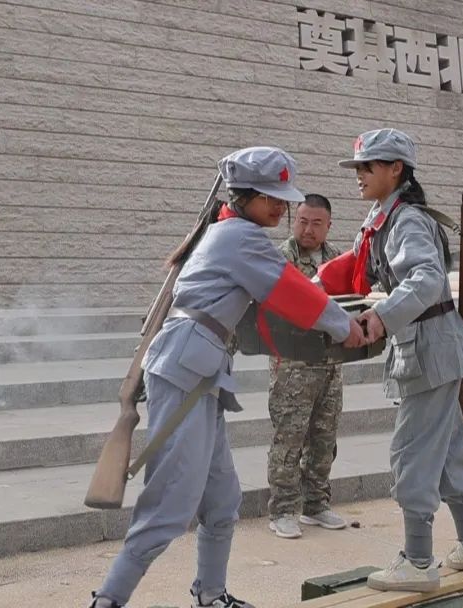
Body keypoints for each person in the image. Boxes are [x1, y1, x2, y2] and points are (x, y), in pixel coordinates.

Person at [88, 147, 366, 608]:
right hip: (187, 371)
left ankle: (210, 596)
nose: (280, 206)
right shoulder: (240, 237)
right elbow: (290, 290)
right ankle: (107, 601)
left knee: (221, 500)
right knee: (170, 505)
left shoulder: (230, 232)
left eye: (282, 198)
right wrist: (344, 325)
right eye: (269, 197)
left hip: (199, 370)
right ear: (244, 197)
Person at [318, 128, 463, 593]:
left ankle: (418, 562)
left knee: (411, 454)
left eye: (368, 166)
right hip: (429, 348)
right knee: (448, 453)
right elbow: (354, 266)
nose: (359, 175)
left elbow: (426, 277)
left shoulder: (407, 220)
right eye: (358, 167)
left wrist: (380, 317)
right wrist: (308, 290)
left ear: (396, 169)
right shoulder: (384, 217)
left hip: (430, 348)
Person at [266, 194, 348, 538]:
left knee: (324, 440)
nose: (308, 229)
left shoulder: (338, 260)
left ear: (328, 226)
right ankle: (283, 510)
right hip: (293, 368)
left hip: (331, 365)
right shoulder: (279, 259)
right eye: (302, 221)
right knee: (289, 440)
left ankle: (316, 505)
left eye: (316, 223)